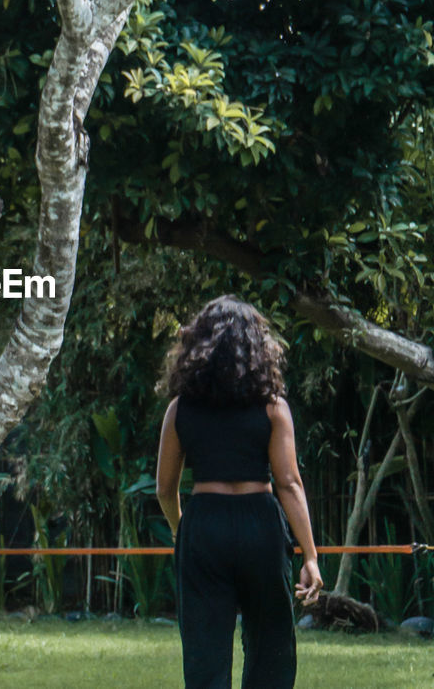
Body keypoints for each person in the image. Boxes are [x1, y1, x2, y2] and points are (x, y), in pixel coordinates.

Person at [155, 294, 322, 689]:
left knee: (205, 648)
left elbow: (165, 487)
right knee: (271, 644)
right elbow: (289, 483)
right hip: (260, 526)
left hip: (204, 525)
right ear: (257, 348)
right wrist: (310, 556)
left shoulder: (179, 409)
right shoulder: (272, 407)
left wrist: (182, 530)